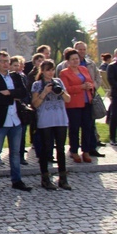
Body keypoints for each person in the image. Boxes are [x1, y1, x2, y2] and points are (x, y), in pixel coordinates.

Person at [0, 51, 32, 194]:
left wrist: (9, 93)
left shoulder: (16, 76)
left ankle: (16, 180)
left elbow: (24, 93)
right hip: (0, 121)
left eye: (7, 61)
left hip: (16, 120)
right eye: (3, 61)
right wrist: (13, 95)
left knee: (15, 153)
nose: (6, 64)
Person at [31, 60, 71, 190]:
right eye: (48, 70)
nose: (51, 72)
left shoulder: (58, 82)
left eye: (52, 69)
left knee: (60, 149)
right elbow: (35, 104)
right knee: (46, 149)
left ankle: (63, 178)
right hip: (45, 120)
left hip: (60, 119)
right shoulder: (37, 84)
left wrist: (61, 92)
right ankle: (45, 178)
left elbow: (68, 99)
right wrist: (45, 92)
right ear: (42, 71)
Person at [59, 49, 95, 163]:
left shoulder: (84, 69)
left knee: (87, 127)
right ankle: (74, 151)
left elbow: (91, 82)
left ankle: (86, 151)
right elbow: (65, 89)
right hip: (74, 104)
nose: (75, 61)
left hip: (86, 102)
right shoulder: (64, 73)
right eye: (73, 59)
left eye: (77, 59)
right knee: (74, 128)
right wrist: (81, 87)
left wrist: (90, 86)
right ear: (68, 61)